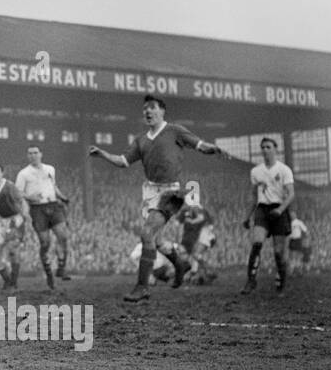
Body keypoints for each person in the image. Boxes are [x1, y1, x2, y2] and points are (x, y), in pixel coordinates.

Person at [89, 96, 229, 303]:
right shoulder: (141, 140)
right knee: (157, 240)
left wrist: (214, 149)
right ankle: (180, 264)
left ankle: (142, 286)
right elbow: (123, 161)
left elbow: (200, 145)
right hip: (150, 192)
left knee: (146, 233)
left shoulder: (175, 131)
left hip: (171, 192)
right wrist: (102, 154)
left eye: (152, 108)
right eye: (145, 108)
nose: (148, 111)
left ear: (162, 111)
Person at [14, 144, 72, 290]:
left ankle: (61, 267)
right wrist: (30, 196)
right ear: (28, 156)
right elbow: (17, 193)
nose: (33, 155)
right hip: (37, 208)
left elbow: (54, 186)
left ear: (41, 154)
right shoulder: (23, 173)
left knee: (63, 236)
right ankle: (49, 274)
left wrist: (63, 197)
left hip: (53, 205)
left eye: (35, 152)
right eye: (30, 153)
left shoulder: (50, 169)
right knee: (45, 243)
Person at [242, 137, 295, 294]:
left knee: (279, 252)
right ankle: (251, 281)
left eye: (268, 147)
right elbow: (253, 195)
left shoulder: (284, 170)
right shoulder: (256, 171)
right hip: (263, 209)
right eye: (263, 147)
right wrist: (247, 216)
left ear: (275, 149)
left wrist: (281, 209)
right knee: (257, 243)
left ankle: (281, 282)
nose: (265, 150)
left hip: (279, 209)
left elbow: (291, 194)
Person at [175, 191, 218, 285]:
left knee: (196, 254)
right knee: (194, 255)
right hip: (201, 236)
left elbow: (201, 219)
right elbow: (178, 223)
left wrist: (190, 221)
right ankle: (200, 275)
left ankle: (209, 271)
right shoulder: (189, 210)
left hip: (206, 235)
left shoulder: (198, 209)